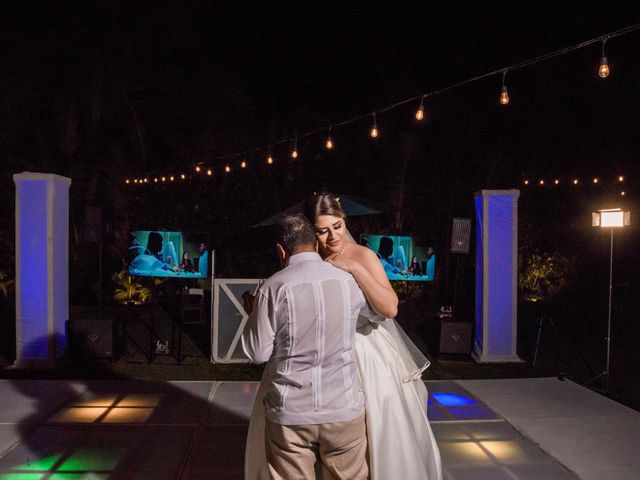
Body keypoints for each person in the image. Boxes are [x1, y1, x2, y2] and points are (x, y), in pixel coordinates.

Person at [303, 192, 442, 480]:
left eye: (337, 227)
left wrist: (353, 267)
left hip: (365, 351)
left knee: (377, 429)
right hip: (324, 352)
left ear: (345, 222)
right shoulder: (309, 260)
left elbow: (390, 307)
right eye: (322, 231)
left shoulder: (363, 255)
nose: (332, 237)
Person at [242, 214, 369, 480]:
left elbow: (257, 354)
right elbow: (374, 317)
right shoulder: (348, 282)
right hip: (343, 407)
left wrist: (253, 315)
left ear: (281, 249)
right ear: (315, 243)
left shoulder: (274, 286)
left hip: (292, 414)